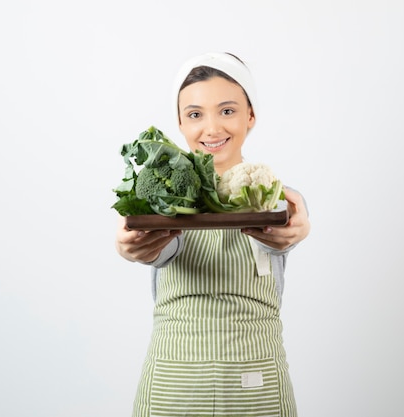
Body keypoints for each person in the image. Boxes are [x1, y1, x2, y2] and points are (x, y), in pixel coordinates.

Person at [115, 52, 311, 417]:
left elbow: (292, 225)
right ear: (180, 123)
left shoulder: (272, 195)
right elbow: (161, 248)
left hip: (257, 388)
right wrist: (133, 245)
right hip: (174, 388)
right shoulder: (166, 198)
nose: (212, 128)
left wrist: (299, 228)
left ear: (249, 115)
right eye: (194, 114)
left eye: (227, 110)